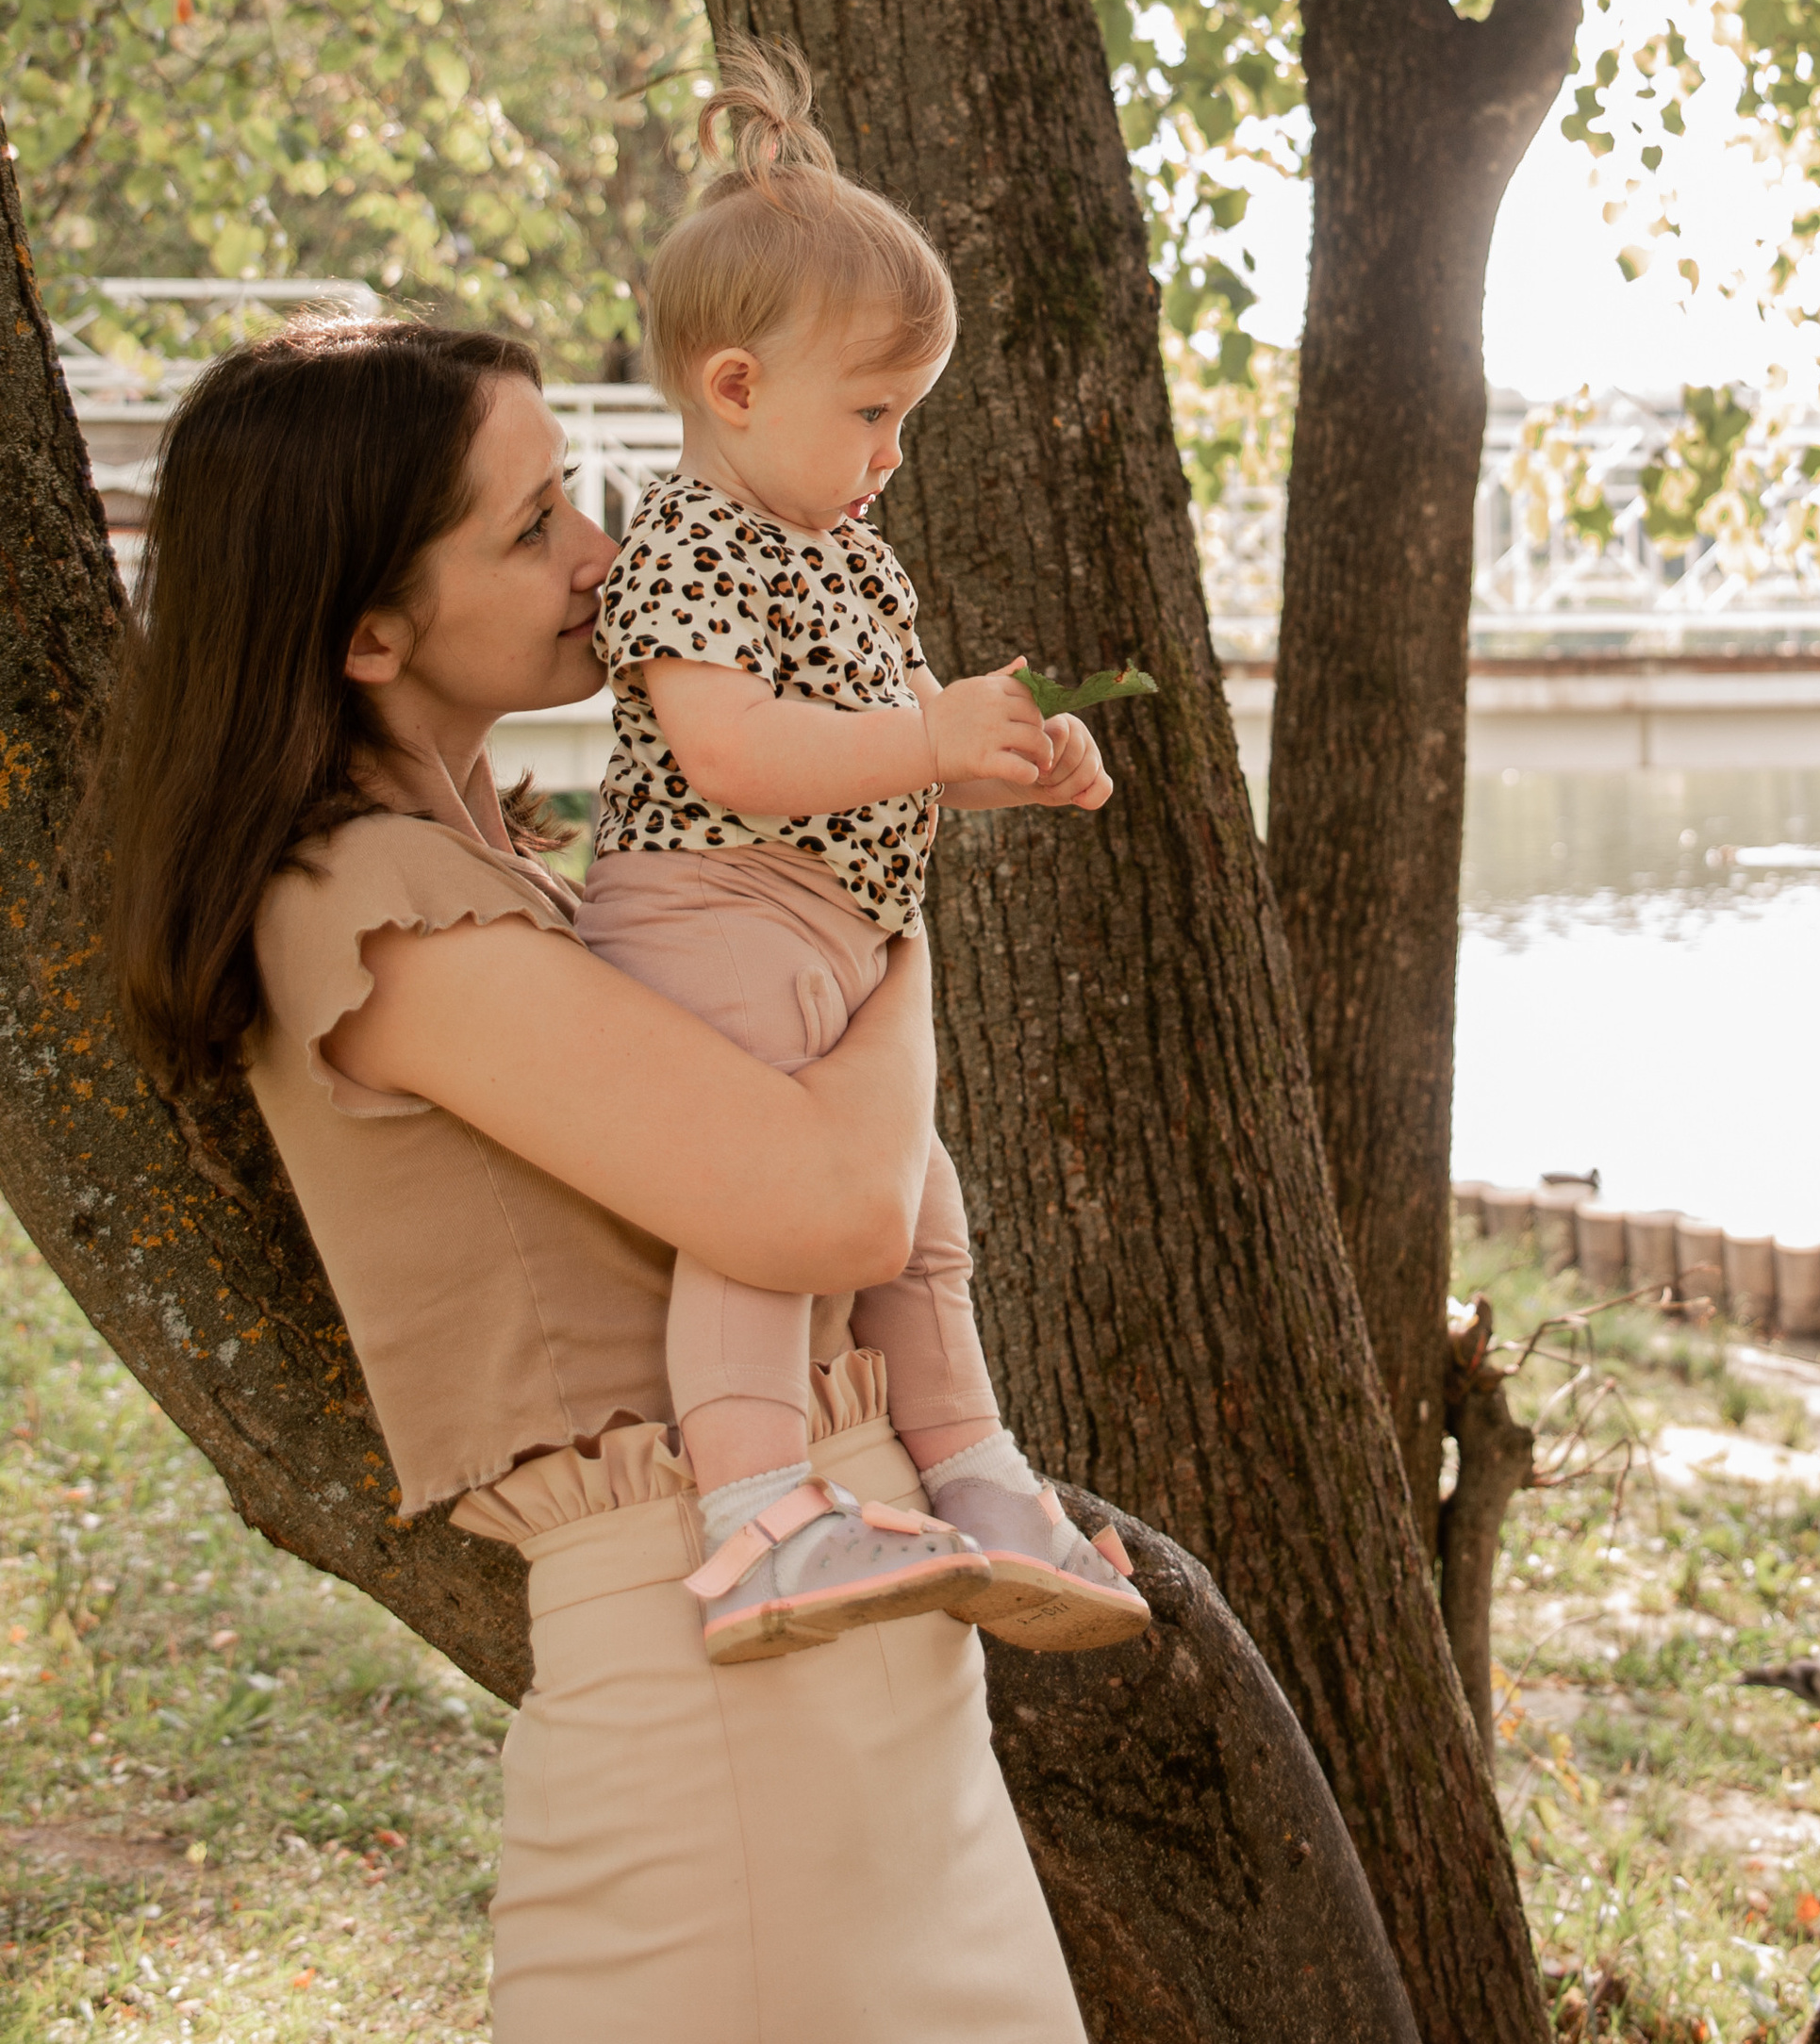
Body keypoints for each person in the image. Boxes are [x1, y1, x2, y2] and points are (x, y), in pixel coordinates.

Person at [95, 316, 1090, 2043]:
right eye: (533, 521)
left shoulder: (527, 887)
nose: (603, 556)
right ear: (366, 633)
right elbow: (833, 1208)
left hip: (864, 1698)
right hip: (729, 1746)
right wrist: (896, 905)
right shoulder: (373, 910)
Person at [579, 42, 1150, 1662]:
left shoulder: (846, 553)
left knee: (918, 1220)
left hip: (831, 929)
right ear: (737, 388)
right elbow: (739, 759)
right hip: (715, 915)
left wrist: (1009, 762)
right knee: (763, 1220)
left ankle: (974, 1470)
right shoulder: (686, 543)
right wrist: (919, 739)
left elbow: (893, 757)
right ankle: (756, 1515)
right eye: (876, 411)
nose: (894, 452)